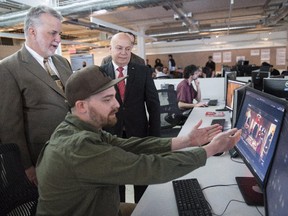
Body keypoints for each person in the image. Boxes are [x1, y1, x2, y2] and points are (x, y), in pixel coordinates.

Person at [36, 65, 242, 216]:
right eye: (107, 100)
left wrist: (185, 141)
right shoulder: (78, 148)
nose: (116, 104)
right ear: (81, 106)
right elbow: (148, 168)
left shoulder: (79, 129)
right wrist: (210, 149)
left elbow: (130, 145)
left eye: (114, 96)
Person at [0, 5, 72, 185]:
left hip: (74, 152)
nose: (58, 40)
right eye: (53, 33)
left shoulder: (63, 63)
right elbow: (10, 126)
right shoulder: (8, 68)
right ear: (32, 32)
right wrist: (25, 166)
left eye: (60, 34)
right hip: (42, 161)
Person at [101, 32, 160, 203]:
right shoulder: (100, 73)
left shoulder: (142, 71)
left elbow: (154, 105)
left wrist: (155, 138)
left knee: (140, 179)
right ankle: (119, 210)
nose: (124, 53)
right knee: (115, 181)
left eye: (128, 48)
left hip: (138, 134)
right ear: (110, 48)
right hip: (110, 135)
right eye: (119, 48)